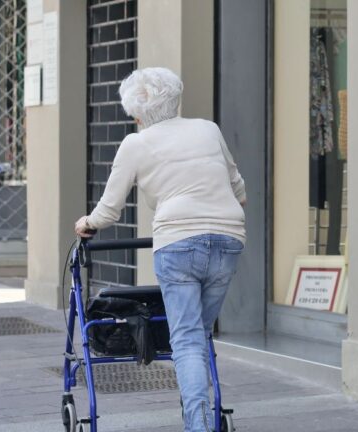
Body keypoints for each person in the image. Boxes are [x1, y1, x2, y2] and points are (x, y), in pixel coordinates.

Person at [74, 67, 246, 432]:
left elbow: (109, 210)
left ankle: (198, 425)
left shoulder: (135, 143)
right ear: (176, 99)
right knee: (198, 334)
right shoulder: (208, 129)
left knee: (184, 339)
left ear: (137, 114)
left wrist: (86, 224)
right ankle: (199, 413)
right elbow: (238, 187)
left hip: (178, 243)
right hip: (229, 239)